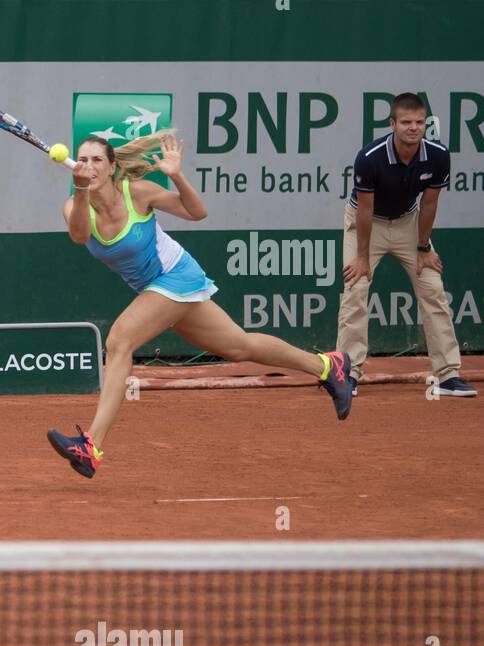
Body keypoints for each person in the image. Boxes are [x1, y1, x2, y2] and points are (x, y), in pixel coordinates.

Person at [48, 132, 353, 479]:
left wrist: (177, 175)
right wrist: (82, 190)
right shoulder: (74, 205)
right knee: (239, 346)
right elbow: (79, 235)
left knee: (119, 342)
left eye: (97, 160)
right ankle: (329, 366)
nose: (89, 166)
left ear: (112, 166)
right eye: (83, 160)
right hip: (156, 289)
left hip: (177, 275)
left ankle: (91, 447)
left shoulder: (138, 192)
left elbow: (197, 212)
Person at [338, 92, 474, 398]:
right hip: (366, 225)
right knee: (355, 289)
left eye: (419, 122)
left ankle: (448, 375)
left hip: (408, 225)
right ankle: (347, 374)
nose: (413, 128)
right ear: (393, 124)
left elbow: (429, 204)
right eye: (406, 122)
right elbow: (365, 210)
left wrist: (424, 247)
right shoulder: (370, 158)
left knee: (433, 288)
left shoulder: (438, 155)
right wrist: (362, 258)